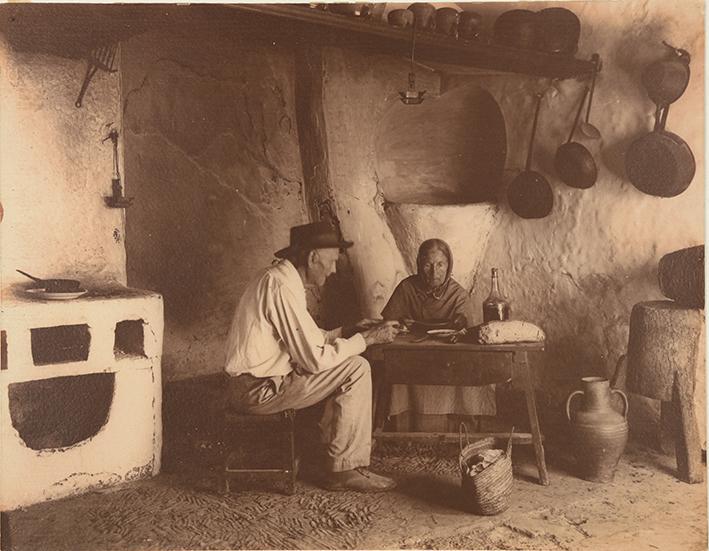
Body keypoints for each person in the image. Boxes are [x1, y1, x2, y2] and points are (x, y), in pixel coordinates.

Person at [224, 221, 399, 492]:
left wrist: (350, 330)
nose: (332, 271)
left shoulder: (280, 280)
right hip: (257, 390)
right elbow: (313, 360)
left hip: (260, 384)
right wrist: (367, 340)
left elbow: (308, 339)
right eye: (330, 262)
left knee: (350, 361)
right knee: (357, 367)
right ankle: (343, 471)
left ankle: (341, 458)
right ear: (312, 257)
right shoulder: (280, 287)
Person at [381, 238, 495, 432]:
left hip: (451, 355)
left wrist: (459, 324)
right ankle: (406, 429)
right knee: (397, 365)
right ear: (419, 264)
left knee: (468, 367)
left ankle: (459, 429)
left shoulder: (458, 294)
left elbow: (467, 327)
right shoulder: (407, 288)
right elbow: (388, 323)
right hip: (415, 354)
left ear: (449, 265)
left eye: (440, 264)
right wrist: (401, 326)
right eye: (428, 265)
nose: (434, 272)